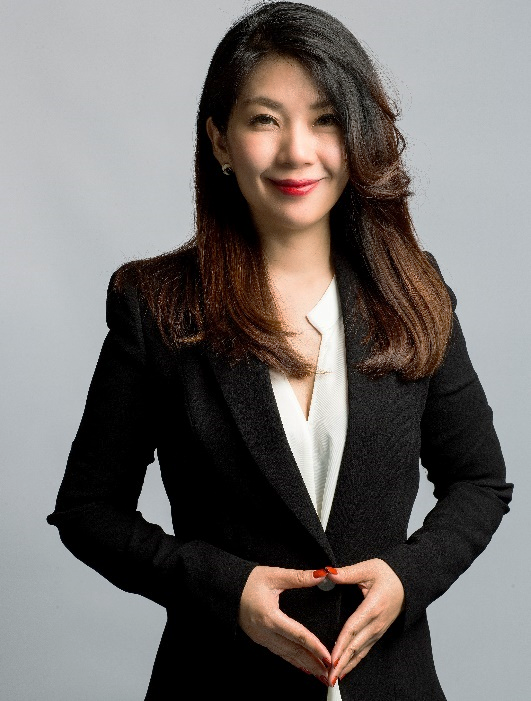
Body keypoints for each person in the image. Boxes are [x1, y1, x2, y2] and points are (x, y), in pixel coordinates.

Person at [47, 2, 513, 699]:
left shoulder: (413, 289)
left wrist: (406, 577)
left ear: (356, 134)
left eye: (325, 119)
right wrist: (224, 588)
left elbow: (479, 481)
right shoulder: (157, 305)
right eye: (265, 120)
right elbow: (87, 510)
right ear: (219, 139)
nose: (298, 151)